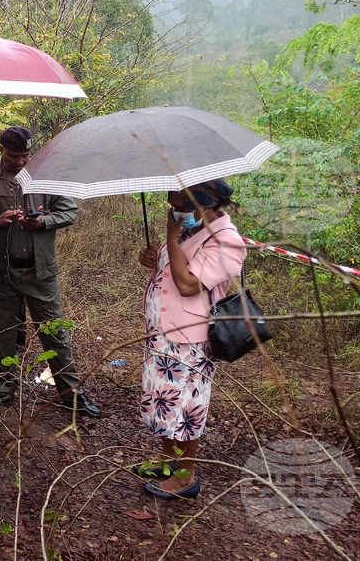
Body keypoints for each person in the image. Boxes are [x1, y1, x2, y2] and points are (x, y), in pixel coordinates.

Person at [0, 126, 101, 418]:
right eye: (14, 156)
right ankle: (4, 385)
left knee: (54, 332)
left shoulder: (45, 174)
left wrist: (44, 221)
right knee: (2, 332)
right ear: (1, 150)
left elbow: (69, 211)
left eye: (25, 155)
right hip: (0, 271)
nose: (21, 161)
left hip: (40, 272)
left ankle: (70, 393)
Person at [135, 179, 245, 500]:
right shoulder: (191, 231)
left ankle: (185, 478)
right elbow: (173, 268)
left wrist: (171, 237)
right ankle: (169, 461)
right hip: (164, 334)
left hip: (190, 340)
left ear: (205, 206)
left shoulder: (228, 241)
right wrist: (155, 258)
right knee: (167, 402)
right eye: (173, 206)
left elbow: (186, 284)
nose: (175, 212)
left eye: (181, 207)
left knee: (186, 409)